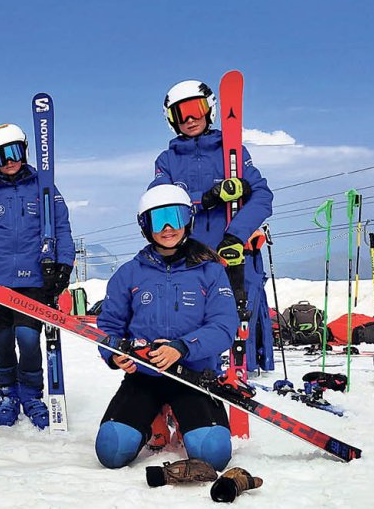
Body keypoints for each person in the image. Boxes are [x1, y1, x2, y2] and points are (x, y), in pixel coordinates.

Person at [94, 184, 237, 472]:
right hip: (145, 376)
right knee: (111, 450)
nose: (168, 227)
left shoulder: (210, 271)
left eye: (176, 216)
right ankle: (154, 421)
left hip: (193, 376)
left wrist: (182, 348)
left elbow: (223, 326)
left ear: (189, 219)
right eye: (158, 220)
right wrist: (113, 353)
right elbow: (109, 326)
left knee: (213, 454)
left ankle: (185, 422)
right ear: (145, 226)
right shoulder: (129, 273)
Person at [150, 80, 274, 372]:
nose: (190, 118)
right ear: (172, 120)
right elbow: (159, 202)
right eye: (181, 114)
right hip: (190, 257)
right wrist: (206, 198)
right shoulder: (167, 160)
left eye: (196, 109)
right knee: (191, 319)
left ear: (210, 110)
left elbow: (262, 197)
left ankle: (239, 375)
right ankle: (191, 380)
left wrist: (235, 236)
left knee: (236, 318)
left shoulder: (232, 152)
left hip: (234, 254)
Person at [0, 123, 75, 429]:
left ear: (25, 151)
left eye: (15, 152)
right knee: (2, 339)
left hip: (33, 278)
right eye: (0, 156)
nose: (9, 160)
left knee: (27, 337)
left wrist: (62, 264)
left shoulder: (44, 185)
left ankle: (32, 394)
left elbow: (61, 227)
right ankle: (8, 393)